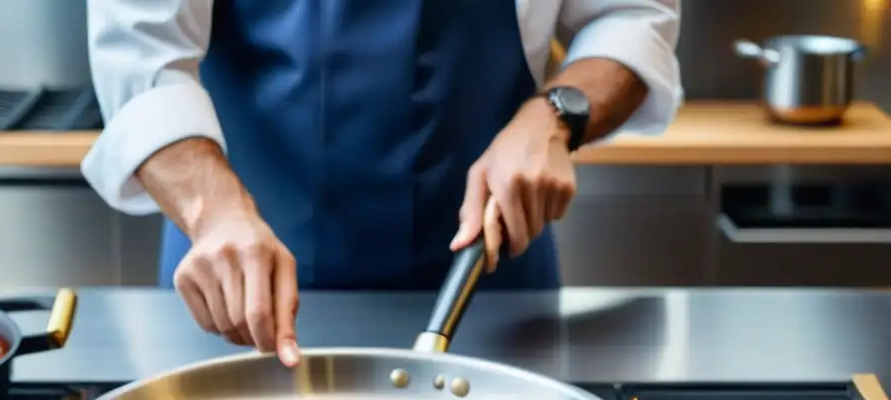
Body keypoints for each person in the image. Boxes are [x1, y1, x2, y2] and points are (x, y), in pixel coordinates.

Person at [83, 0, 682, 366]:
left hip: (488, 287)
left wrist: (554, 116)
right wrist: (214, 212)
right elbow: (142, 52)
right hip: (237, 296)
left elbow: (631, 15)